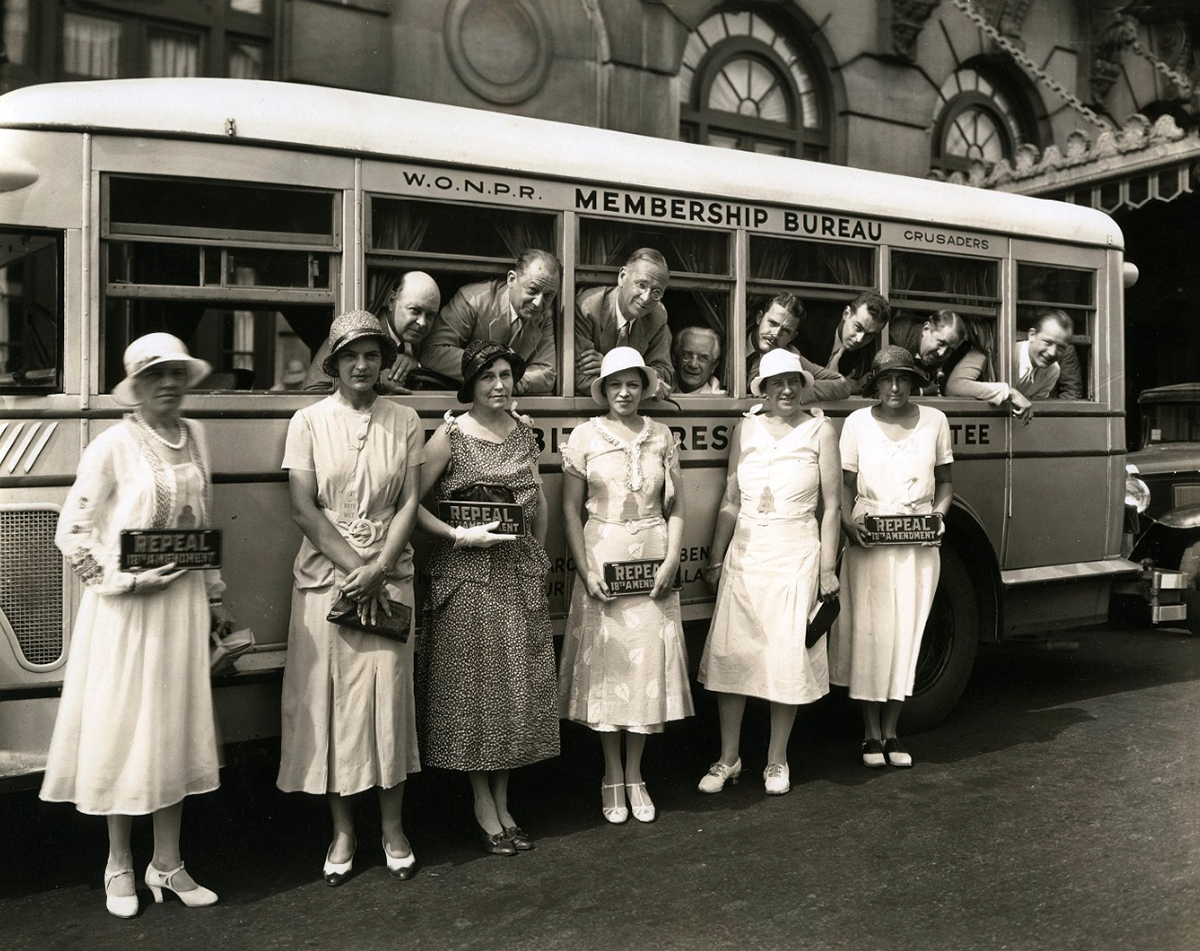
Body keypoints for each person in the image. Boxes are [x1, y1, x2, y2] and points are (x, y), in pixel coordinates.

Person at [41, 332, 225, 917]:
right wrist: (124, 579)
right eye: (154, 376)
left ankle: (167, 864)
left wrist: (215, 599)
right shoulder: (111, 445)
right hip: (127, 612)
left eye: (175, 373)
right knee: (128, 733)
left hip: (182, 608)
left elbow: (204, 524)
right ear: (136, 387)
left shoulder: (196, 437)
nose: (168, 384)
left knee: (173, 729)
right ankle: (119, 863)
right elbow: (71, 532)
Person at [277, 310, 423, 886]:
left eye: (371, 355)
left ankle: (393, 827)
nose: (361, 365)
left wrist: (379, 567)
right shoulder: (307, 420)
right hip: (327, 579)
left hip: (388, 575)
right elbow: (303, 506)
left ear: (384, 361)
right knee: (331, 704)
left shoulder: (406, 419)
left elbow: (410, 501)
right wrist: (355, 568)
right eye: (349, 356)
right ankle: (343, 831)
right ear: (332, 363)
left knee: (388, 702)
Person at [414, 340, 559, 856]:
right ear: (470, 384)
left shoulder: (523, 432)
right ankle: (483, 805)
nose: (500, 385)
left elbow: (537, 498)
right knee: (477, 695)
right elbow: (410, 508)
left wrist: (538, 556)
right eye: (488, 376)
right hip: (468, 578)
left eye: (506, 375)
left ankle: (502, 801)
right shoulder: (449, 435)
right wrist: (457, 537)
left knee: (513, 694)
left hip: (517, 576)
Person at [696, 349, 842, 797]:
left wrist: (827, 568)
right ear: (764, 387)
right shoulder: (748, 426)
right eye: (777, 382)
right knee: (732, 657)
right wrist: (717, 559)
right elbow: (730, 499)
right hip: (746, 553)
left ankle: (776, 760)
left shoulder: (821, 429)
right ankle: (729, 758)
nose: (786, 390)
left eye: (794, 382)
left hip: (796, 553)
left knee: (785, 658)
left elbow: (833, 506)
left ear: (804, 385)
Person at [558, 346, 693, 824]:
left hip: (652, 566)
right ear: (604, 389)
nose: (624, 392)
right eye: (615, 384)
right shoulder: (584, 436)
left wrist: (671, 561)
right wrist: (585, 567)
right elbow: (571, 511)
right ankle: (611, 775)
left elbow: (677, 506)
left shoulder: (662, 437)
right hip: (603, 560)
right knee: (609, 674)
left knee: (643, 675)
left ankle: (636, 774)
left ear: (644, 387)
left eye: (633, 384)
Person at [830, 346, 953, 769]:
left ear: (914, 381)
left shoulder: (936, 420)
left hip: (917, 546)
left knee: (907, 633)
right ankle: (869, 735)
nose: (895, 387)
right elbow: (844, 488)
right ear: (875, 384)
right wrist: (849, 525)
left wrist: (937, 517)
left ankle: (893, 732)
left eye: (903, 379)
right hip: (870, 543)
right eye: (887, 379)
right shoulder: (857, 422)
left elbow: (946, 484)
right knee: (870, 633)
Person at [419, 250, 560, 395]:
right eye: (532, 290)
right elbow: (432, 352)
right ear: (511, 279)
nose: (538, 303)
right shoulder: (472, 300)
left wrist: (515, 378)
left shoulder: (544, 315)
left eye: (548, 296)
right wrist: (498, 368)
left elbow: (547, 374)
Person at [303, 271, 441, 393]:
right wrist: (375, 381)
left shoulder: (419, 340)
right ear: (392, 301)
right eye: (415, 311)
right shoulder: (356, 330)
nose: (422, 323)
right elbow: (312, 391)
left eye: (430, 315)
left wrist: (414, 364)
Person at [575, 248, 673, 398]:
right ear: (622, 277)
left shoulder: (657, 315)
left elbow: (665, 373)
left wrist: (611, 365)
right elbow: (581, 378)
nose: (646, 298)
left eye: (656, 291)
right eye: (641, 285)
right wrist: (644, 382)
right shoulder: (588, 308)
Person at [944, 309, 1074, 421]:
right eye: (1047, 342)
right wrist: (1010, 393)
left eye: (1061, 347)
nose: (1052, 353)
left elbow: (1029, 408)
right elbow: (954, 386)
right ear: (1032, 335)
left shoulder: (1053, 370)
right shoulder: (993, 348)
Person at [747, 293, 850, 401]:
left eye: (786, 331)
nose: (775, 334)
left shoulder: (791, 357)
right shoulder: (731, 344)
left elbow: (842, 385)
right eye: (772, 323)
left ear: (792, 337)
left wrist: (795, 392)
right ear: (759, 318)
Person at [886, 310, 968, 395]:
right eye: (941, 342)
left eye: (950, 349)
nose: (942, 353)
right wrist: (922, 391)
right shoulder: (896, 338)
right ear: (926, 329)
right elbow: (886, 390)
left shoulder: (936, 355)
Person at [826, 290, 892, 394]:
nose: (859, 339)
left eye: (869, 335)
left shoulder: (858, 353)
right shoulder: (812, 332)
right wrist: (843, 388)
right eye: (857, 327)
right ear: (846, 314)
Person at [673, 325, 726, 394]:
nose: (693, 364)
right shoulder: (658, 387)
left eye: (703, 358)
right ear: (674, 358)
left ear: (714, 366)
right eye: (686, 355)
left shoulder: (721, 401)